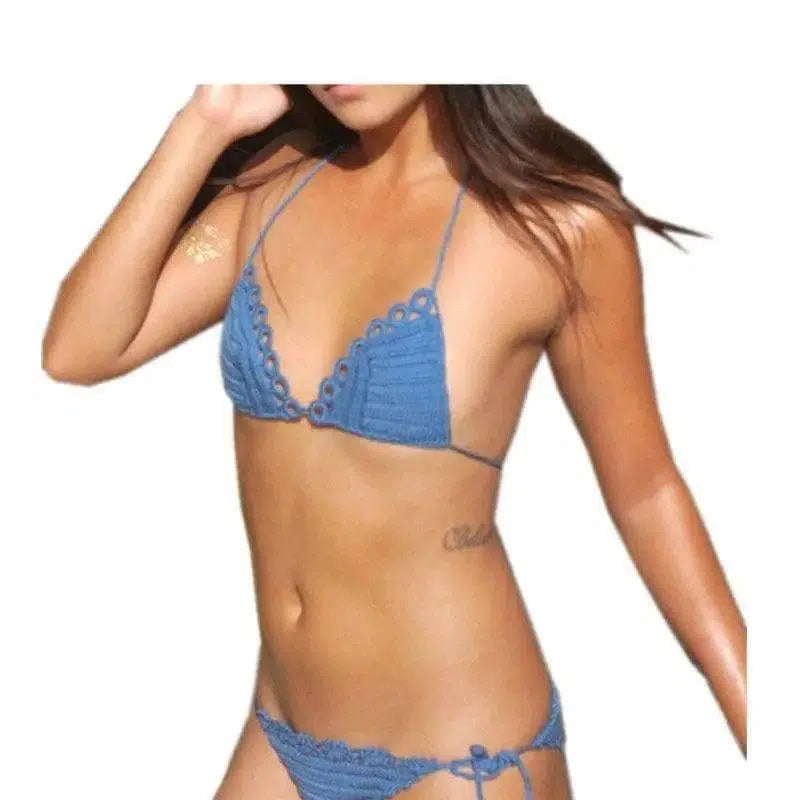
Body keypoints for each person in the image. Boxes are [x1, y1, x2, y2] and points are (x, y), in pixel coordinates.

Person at [41, 84, 746, 799]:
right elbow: (79, 350)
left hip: (462, 762)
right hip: (281, 739)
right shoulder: (277, 185)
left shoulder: (557, 224)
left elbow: (646, 491)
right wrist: (205, 123)